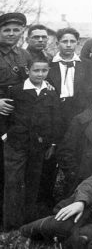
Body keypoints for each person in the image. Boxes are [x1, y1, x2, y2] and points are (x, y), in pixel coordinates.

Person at [3, 56, 62, 230]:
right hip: (16, 144)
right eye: (36, 70)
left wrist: (52, 144)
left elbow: (55, 119)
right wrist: (5, 136)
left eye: (44, 71)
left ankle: (27, 223)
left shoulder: (50, 92)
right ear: (27, 71)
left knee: (33, 182)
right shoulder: (16, 90)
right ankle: (11, 224)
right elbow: (4, 115)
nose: (40, 74)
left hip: (38, 146)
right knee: (13, 183)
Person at [0, 12, 31, 224]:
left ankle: (10, 220)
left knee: (13, 170)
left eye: (16, 30)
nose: (12, 33)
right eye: (6, 30)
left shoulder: (23, 55)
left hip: (16, 118)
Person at [47, 27, 92, 133]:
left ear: (77, 43)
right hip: (55, 111)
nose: (68, 45)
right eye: (64, 41)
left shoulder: (86, 64)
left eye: (72, 41)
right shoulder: (49, 64)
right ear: (57, 43)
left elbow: (91, 89)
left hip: (79, 110)